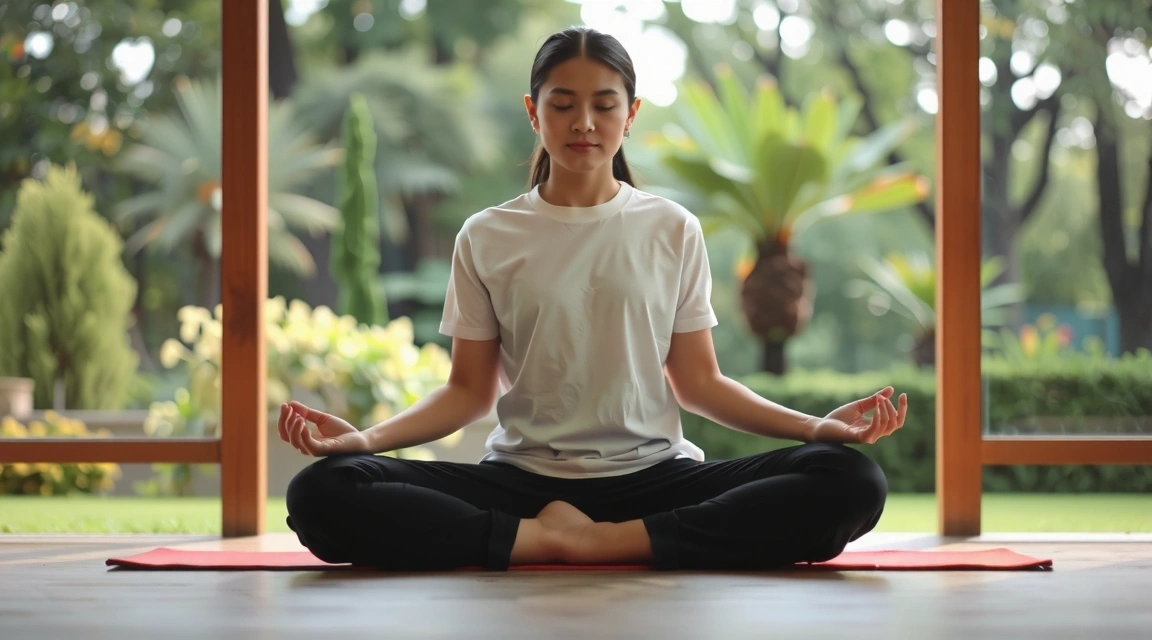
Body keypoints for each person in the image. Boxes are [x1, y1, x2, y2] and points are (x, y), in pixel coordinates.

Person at [281, 27, 907, 572]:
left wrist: (816, 429)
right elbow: (470, 392)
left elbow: (699, 382)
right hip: (523, 482)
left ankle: (599, 542)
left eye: (604, 105)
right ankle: (549, 541)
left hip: (657, 478)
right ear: (534, 112)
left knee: (849, 480)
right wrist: (363, 442)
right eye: (564, 104)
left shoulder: (671, 228)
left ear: (631, 113)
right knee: (323, 492)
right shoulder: (488, 235)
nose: (584, 122)